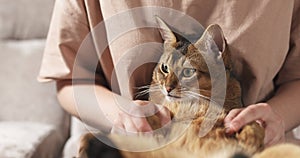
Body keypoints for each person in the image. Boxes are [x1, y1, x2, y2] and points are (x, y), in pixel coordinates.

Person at [39, 0, 300, 149]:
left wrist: (275, 118)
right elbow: (70, 79)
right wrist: (121, 113)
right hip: (142, 147)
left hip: (253, 147)